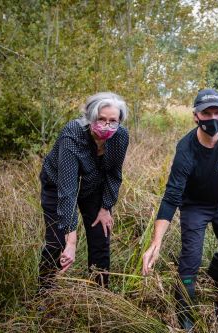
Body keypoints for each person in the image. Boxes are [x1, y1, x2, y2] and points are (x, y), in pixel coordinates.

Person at [141, 88, 218, 330]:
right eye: (206, 113)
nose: (212, 118)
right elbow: (170, 198)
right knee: (189, 264)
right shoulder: (186, 151)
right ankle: (185, 316)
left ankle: (215, 283)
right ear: (196, 116)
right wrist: (156, 243)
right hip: (195, 207)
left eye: (217, 112)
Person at [38, 92, 129, 291]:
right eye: (101, 119)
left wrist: (106, 207)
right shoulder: (73, 133)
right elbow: (68, 189)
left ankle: (99, 294)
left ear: (119, 121)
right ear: (90, 117)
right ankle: (45, 294)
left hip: (93, 185)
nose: (106, 126)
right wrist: (71, 239)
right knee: (57, 241)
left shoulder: (120, 136)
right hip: (58, 185)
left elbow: (114, 172)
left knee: (101, 236)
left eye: (113, 121)